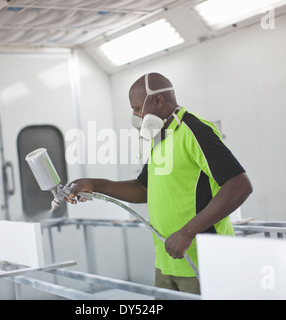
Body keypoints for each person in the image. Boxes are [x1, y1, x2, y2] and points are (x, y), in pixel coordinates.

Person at [65, 73, 253, 295]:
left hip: (202, 261)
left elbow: (239, 185)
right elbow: (144, 188)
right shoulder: (161, 137)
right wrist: (94, 184)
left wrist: (186, 233)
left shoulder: (195, 130)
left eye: (136, 108)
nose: (135, 116)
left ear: (158, 101)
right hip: (166, 263)